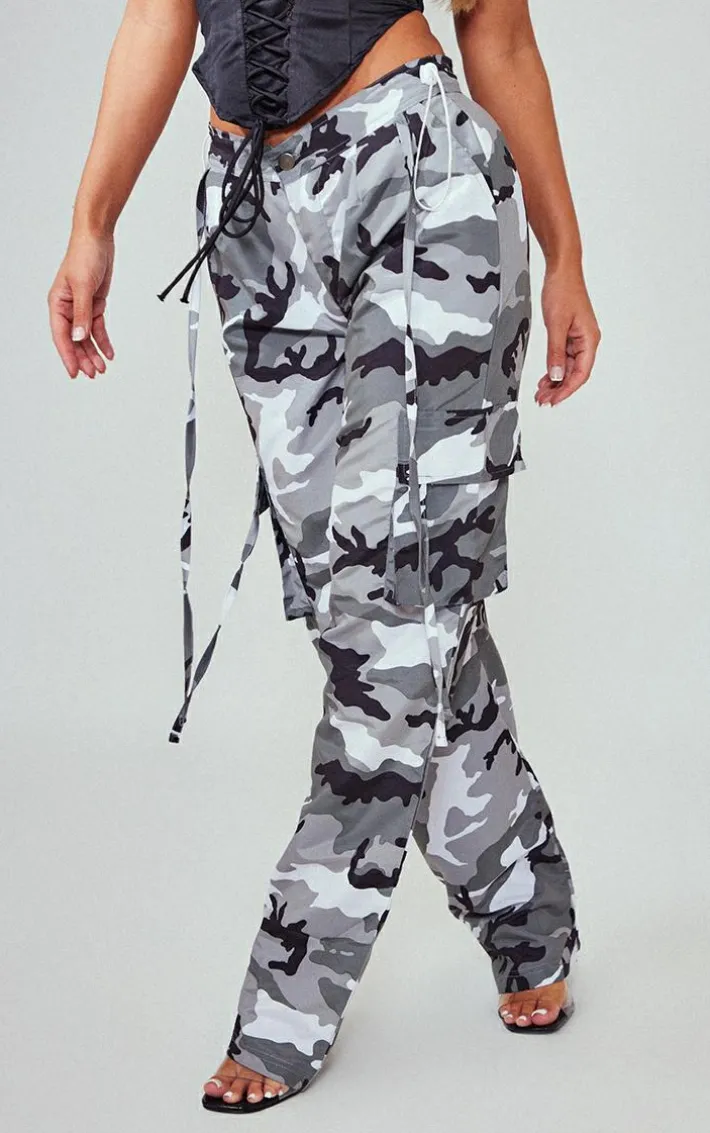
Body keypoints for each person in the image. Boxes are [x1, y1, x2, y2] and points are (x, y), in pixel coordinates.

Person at [47, 0, 601, 1114]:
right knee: (388, 620)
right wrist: (91, 219)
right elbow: (160, 11)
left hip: (418, 184)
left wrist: (565, 256)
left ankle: (287, 1001)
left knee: (393, 632)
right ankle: (527, 914)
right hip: (249, 216)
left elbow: (495, 27)